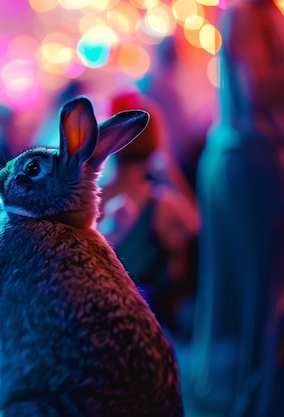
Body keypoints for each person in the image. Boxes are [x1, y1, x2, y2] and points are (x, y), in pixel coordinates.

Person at [187, 0, 284, 415]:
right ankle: (254, 397)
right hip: (250, 159)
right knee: (260, 291)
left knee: (262, 290)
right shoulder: (243, 13)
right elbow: (257, 90)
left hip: (258, 159)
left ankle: (264, 391)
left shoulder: (272, 14)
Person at [98, 91, 200, 341]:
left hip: (98, 323)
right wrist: (169, 168)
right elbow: (197, 228)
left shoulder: (93, 200)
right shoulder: (163, 204)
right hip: (147, 328)